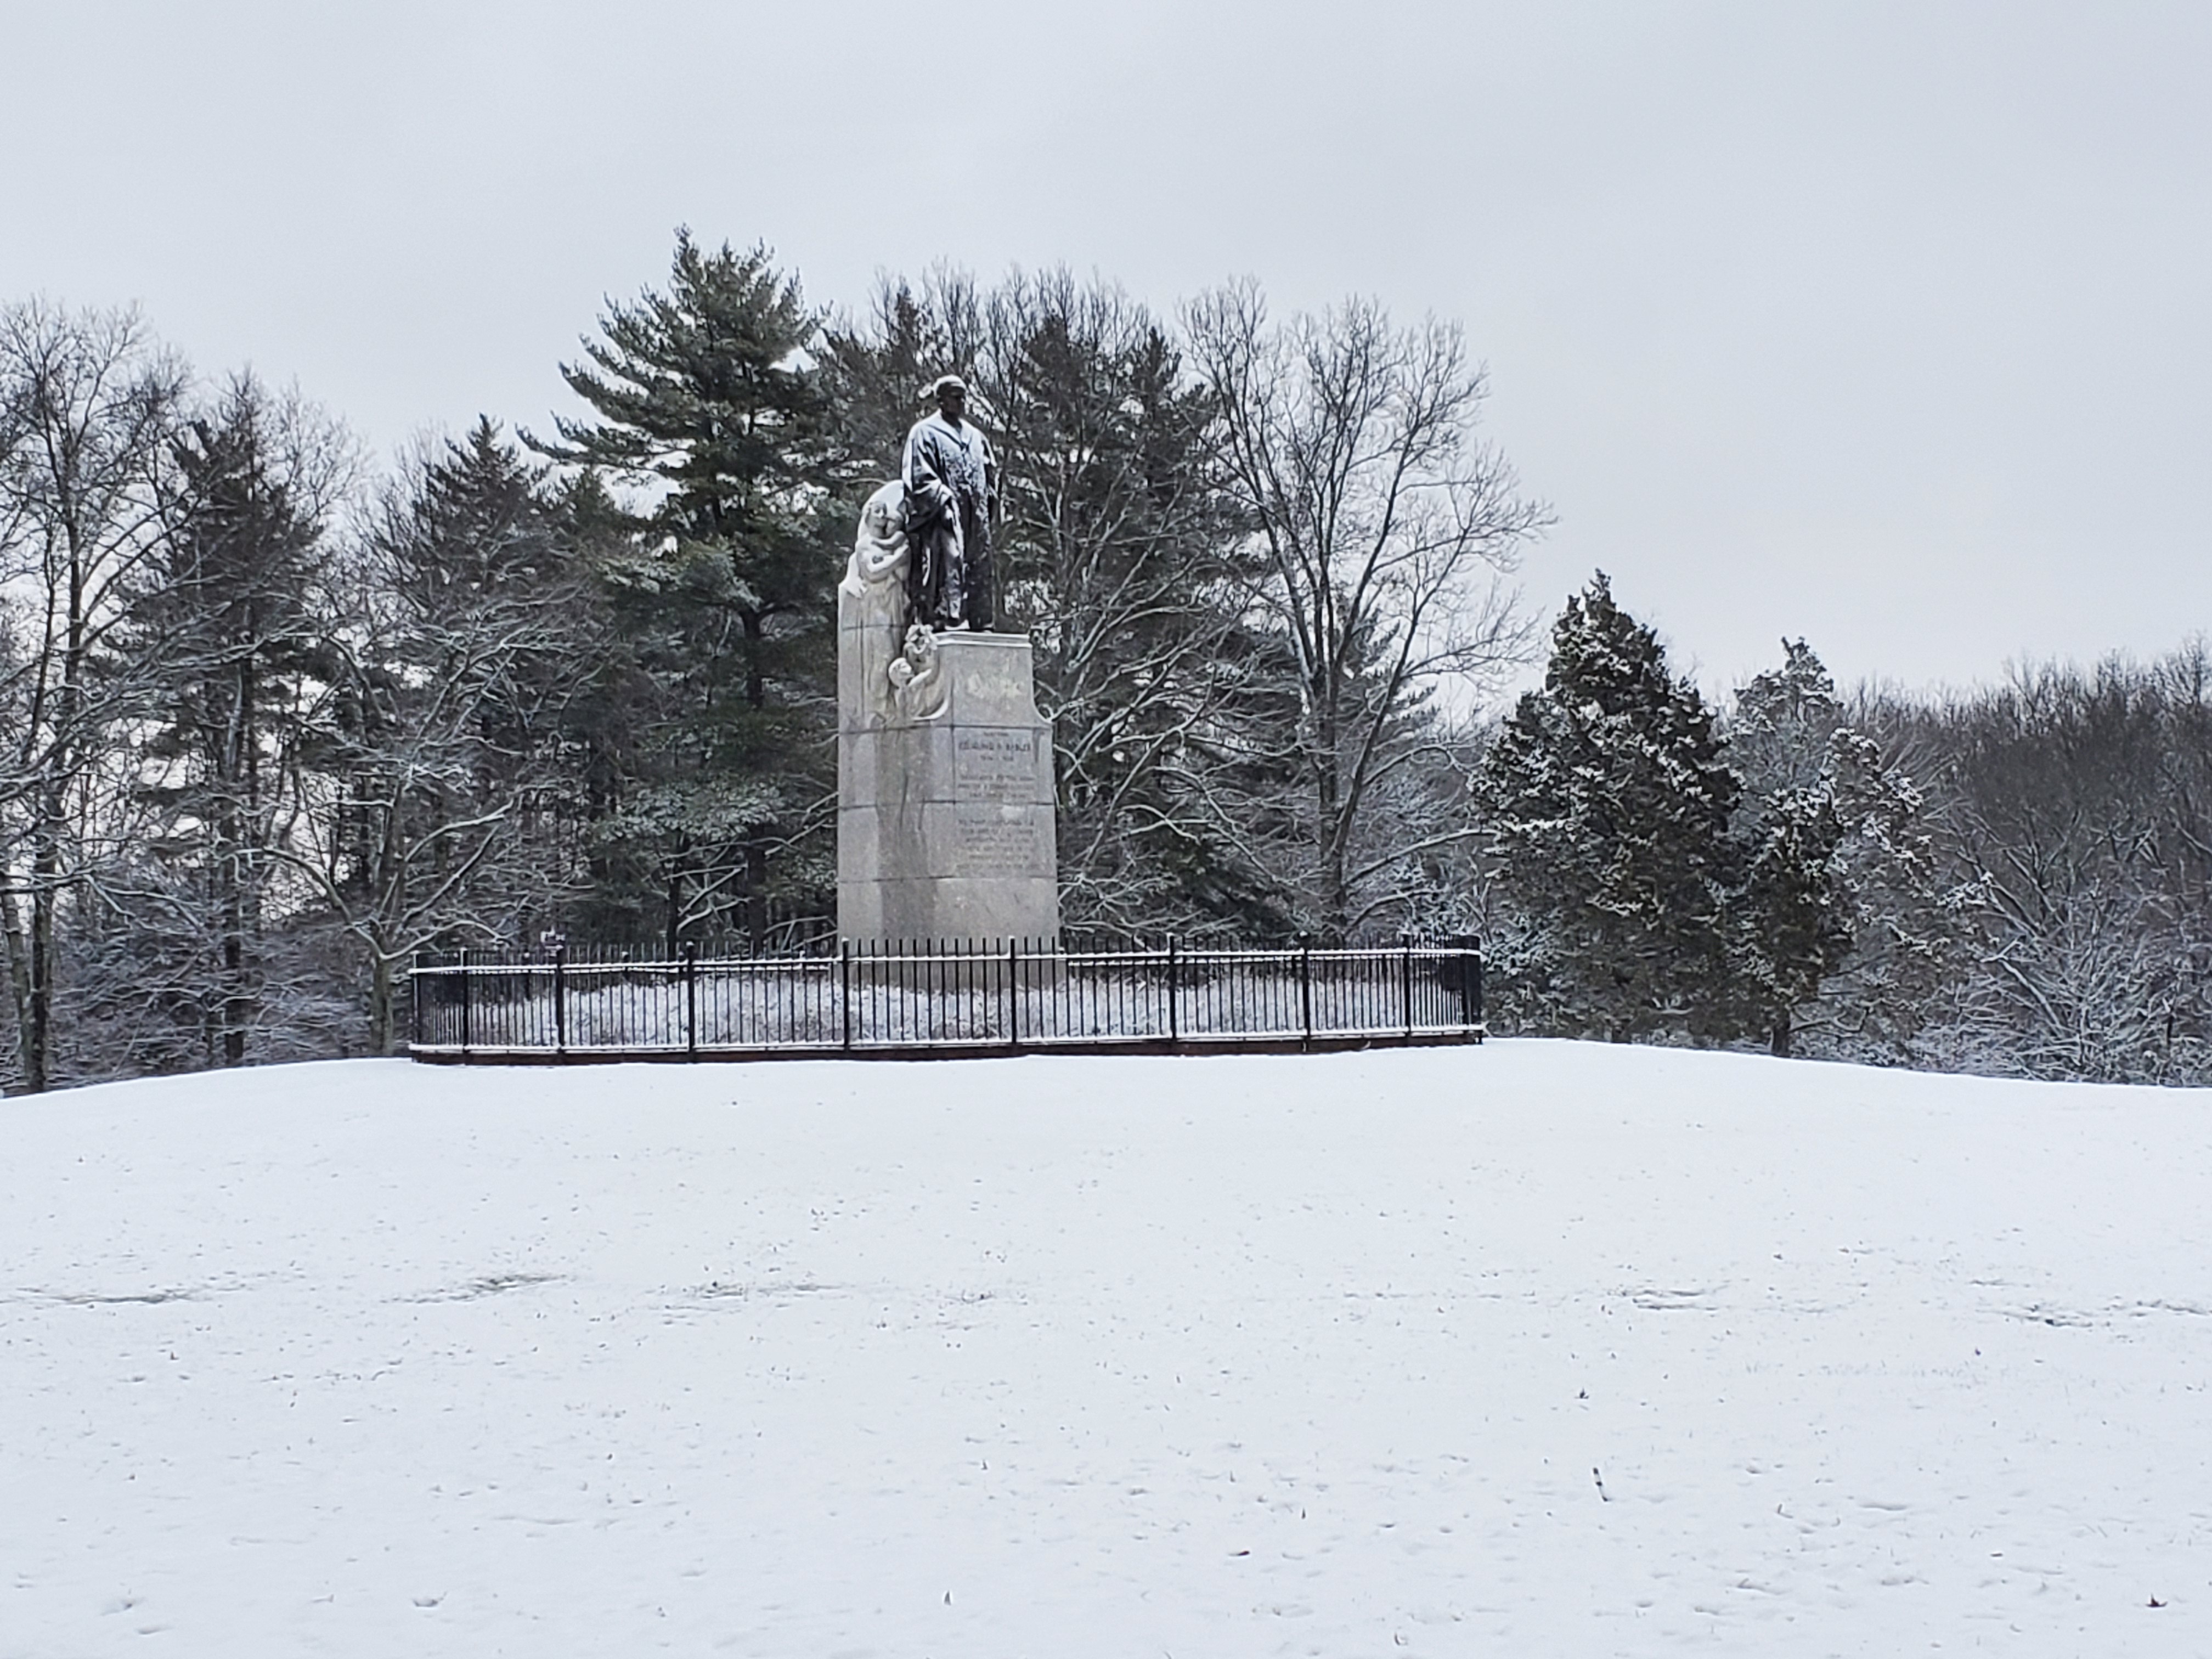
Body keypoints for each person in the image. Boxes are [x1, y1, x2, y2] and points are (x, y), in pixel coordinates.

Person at [901, 374, 997, 629]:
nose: (962, 402)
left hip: (976, 516)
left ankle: (980, 620)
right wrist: (942, 502)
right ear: (941, 400)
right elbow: (918, 476)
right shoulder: (924, 432)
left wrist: (988, 503)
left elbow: (989, 476)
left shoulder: (976, 437)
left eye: (964, 397)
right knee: (948, 563)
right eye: (956, 397)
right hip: (944, 516)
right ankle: (945, 617)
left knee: (979, 563)